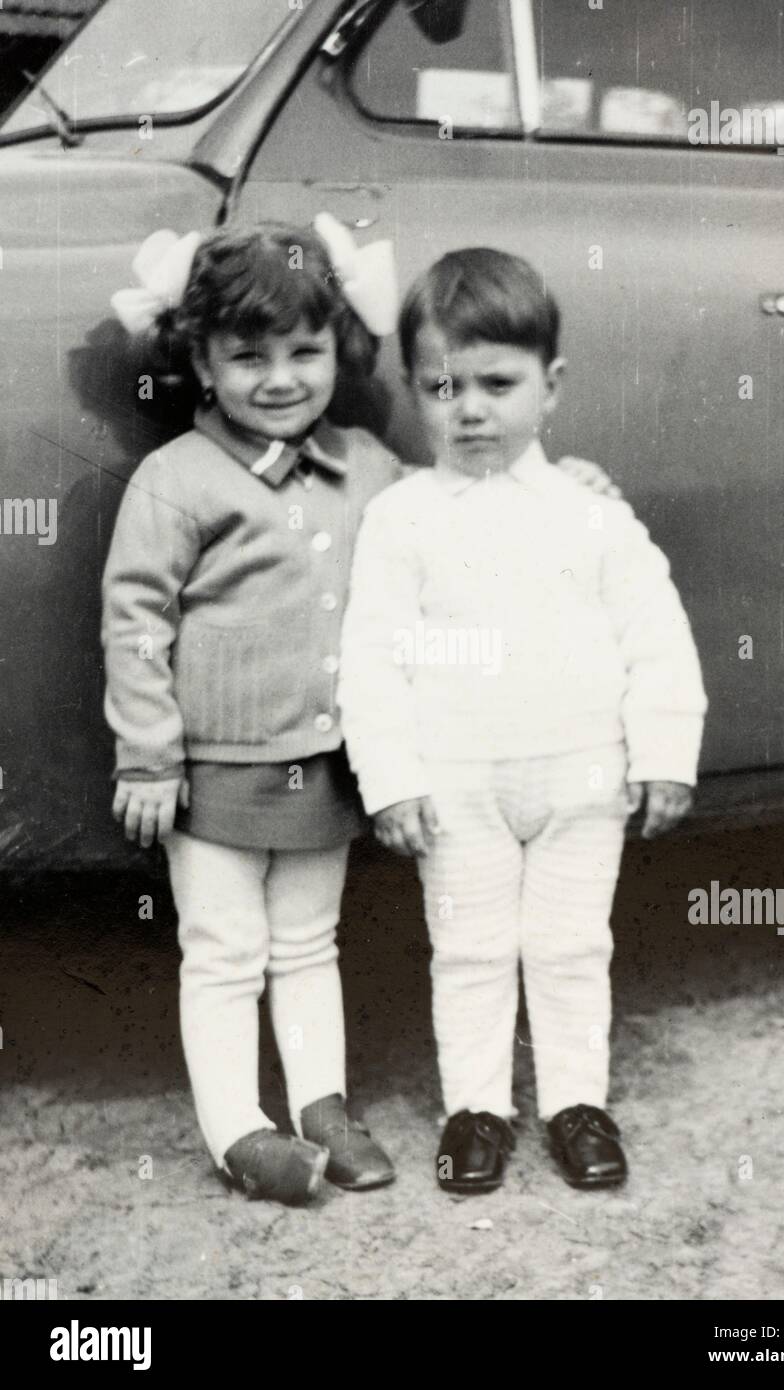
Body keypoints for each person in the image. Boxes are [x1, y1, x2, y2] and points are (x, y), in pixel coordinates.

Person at [338, 248, 708, 1193]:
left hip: (582, 773)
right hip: (458, 780)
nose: (469, 410)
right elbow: (372, 655)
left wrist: (664, 752)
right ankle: (476, 1109)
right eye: (441, 385)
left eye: (497, 384)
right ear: (413, 390)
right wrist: (394, 779)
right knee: (468, 947)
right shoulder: (402, 518)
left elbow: (654, 633)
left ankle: (577, 1102)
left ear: (551, 387)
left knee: (571, 943)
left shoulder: (590, 512)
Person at [101, 219, 402, 1205]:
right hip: (213, 767)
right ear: (199, 359)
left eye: (304, 352)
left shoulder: (363, 466)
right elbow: (135, 622)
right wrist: (148, 756)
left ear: (338, 350)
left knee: (310, 940)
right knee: (225, 952)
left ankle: (321, 1101)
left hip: (322, 761)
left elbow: (435, 544)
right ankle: (238, 1127)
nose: (279, 378)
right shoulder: (177, 480)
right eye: (247, 357)